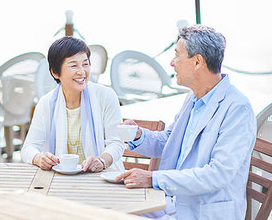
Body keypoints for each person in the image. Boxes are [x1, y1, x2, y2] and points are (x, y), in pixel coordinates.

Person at [116, 25, 256, 220]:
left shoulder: (238, 109)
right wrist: (139, 135)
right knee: (111, 210)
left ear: (197, 61)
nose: (172, 63)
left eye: (177, 55)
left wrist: (153, 178)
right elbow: (169, 142)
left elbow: (217, 174)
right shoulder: (193, 98)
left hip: (203, 213)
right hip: (175, 204)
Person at [21, 36, 124, 172]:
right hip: (60, 180)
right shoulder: (46, 103)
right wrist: (39, 158)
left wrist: (102, 161)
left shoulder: (106, 96)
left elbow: (116, 143)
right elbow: (28, 148)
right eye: (74, 65)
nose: (81, 72)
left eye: (85, 64)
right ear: (55, 72)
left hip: (101, 178)